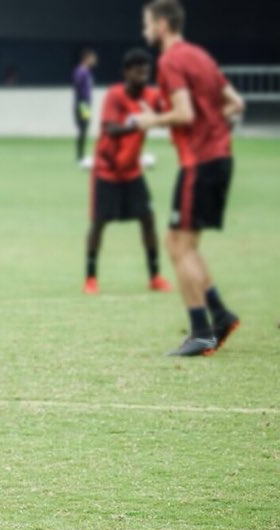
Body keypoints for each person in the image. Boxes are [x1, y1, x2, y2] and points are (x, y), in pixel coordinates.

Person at [134, 0, 244, 356]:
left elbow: (184, 113)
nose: (144, 31)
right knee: (181, 244)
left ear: (163, 24)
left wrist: (152, 121)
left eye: (147, 24)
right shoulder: (201, 56)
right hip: (219, 158)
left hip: (199, 163)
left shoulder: (171, 61)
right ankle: (220, 315)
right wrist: (212, 128)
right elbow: (234, 103)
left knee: (179, 247)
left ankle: (201, 332)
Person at [84, 48, 172, 295]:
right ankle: (90, 278)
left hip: (132, 171)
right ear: (126, 72)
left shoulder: (151, 96)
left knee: (148, 220)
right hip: (107, 170)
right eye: (137, 71)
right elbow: (111, 129)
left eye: (146, 71)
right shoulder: (115, 95)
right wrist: (137, 122)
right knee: (98, 223)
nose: (143, 75)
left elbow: (167, 111)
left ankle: (154, 276)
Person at [73, 49, 97, 166]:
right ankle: (80, 156)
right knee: (83, 128)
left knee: (85, 128)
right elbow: (78, 89)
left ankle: (81, 155)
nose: (94, 60)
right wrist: (82, 105)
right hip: (82, 104)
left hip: (85, 105)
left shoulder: (87, 72)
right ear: (86, 58)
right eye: (92, 58)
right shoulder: (80, 71)